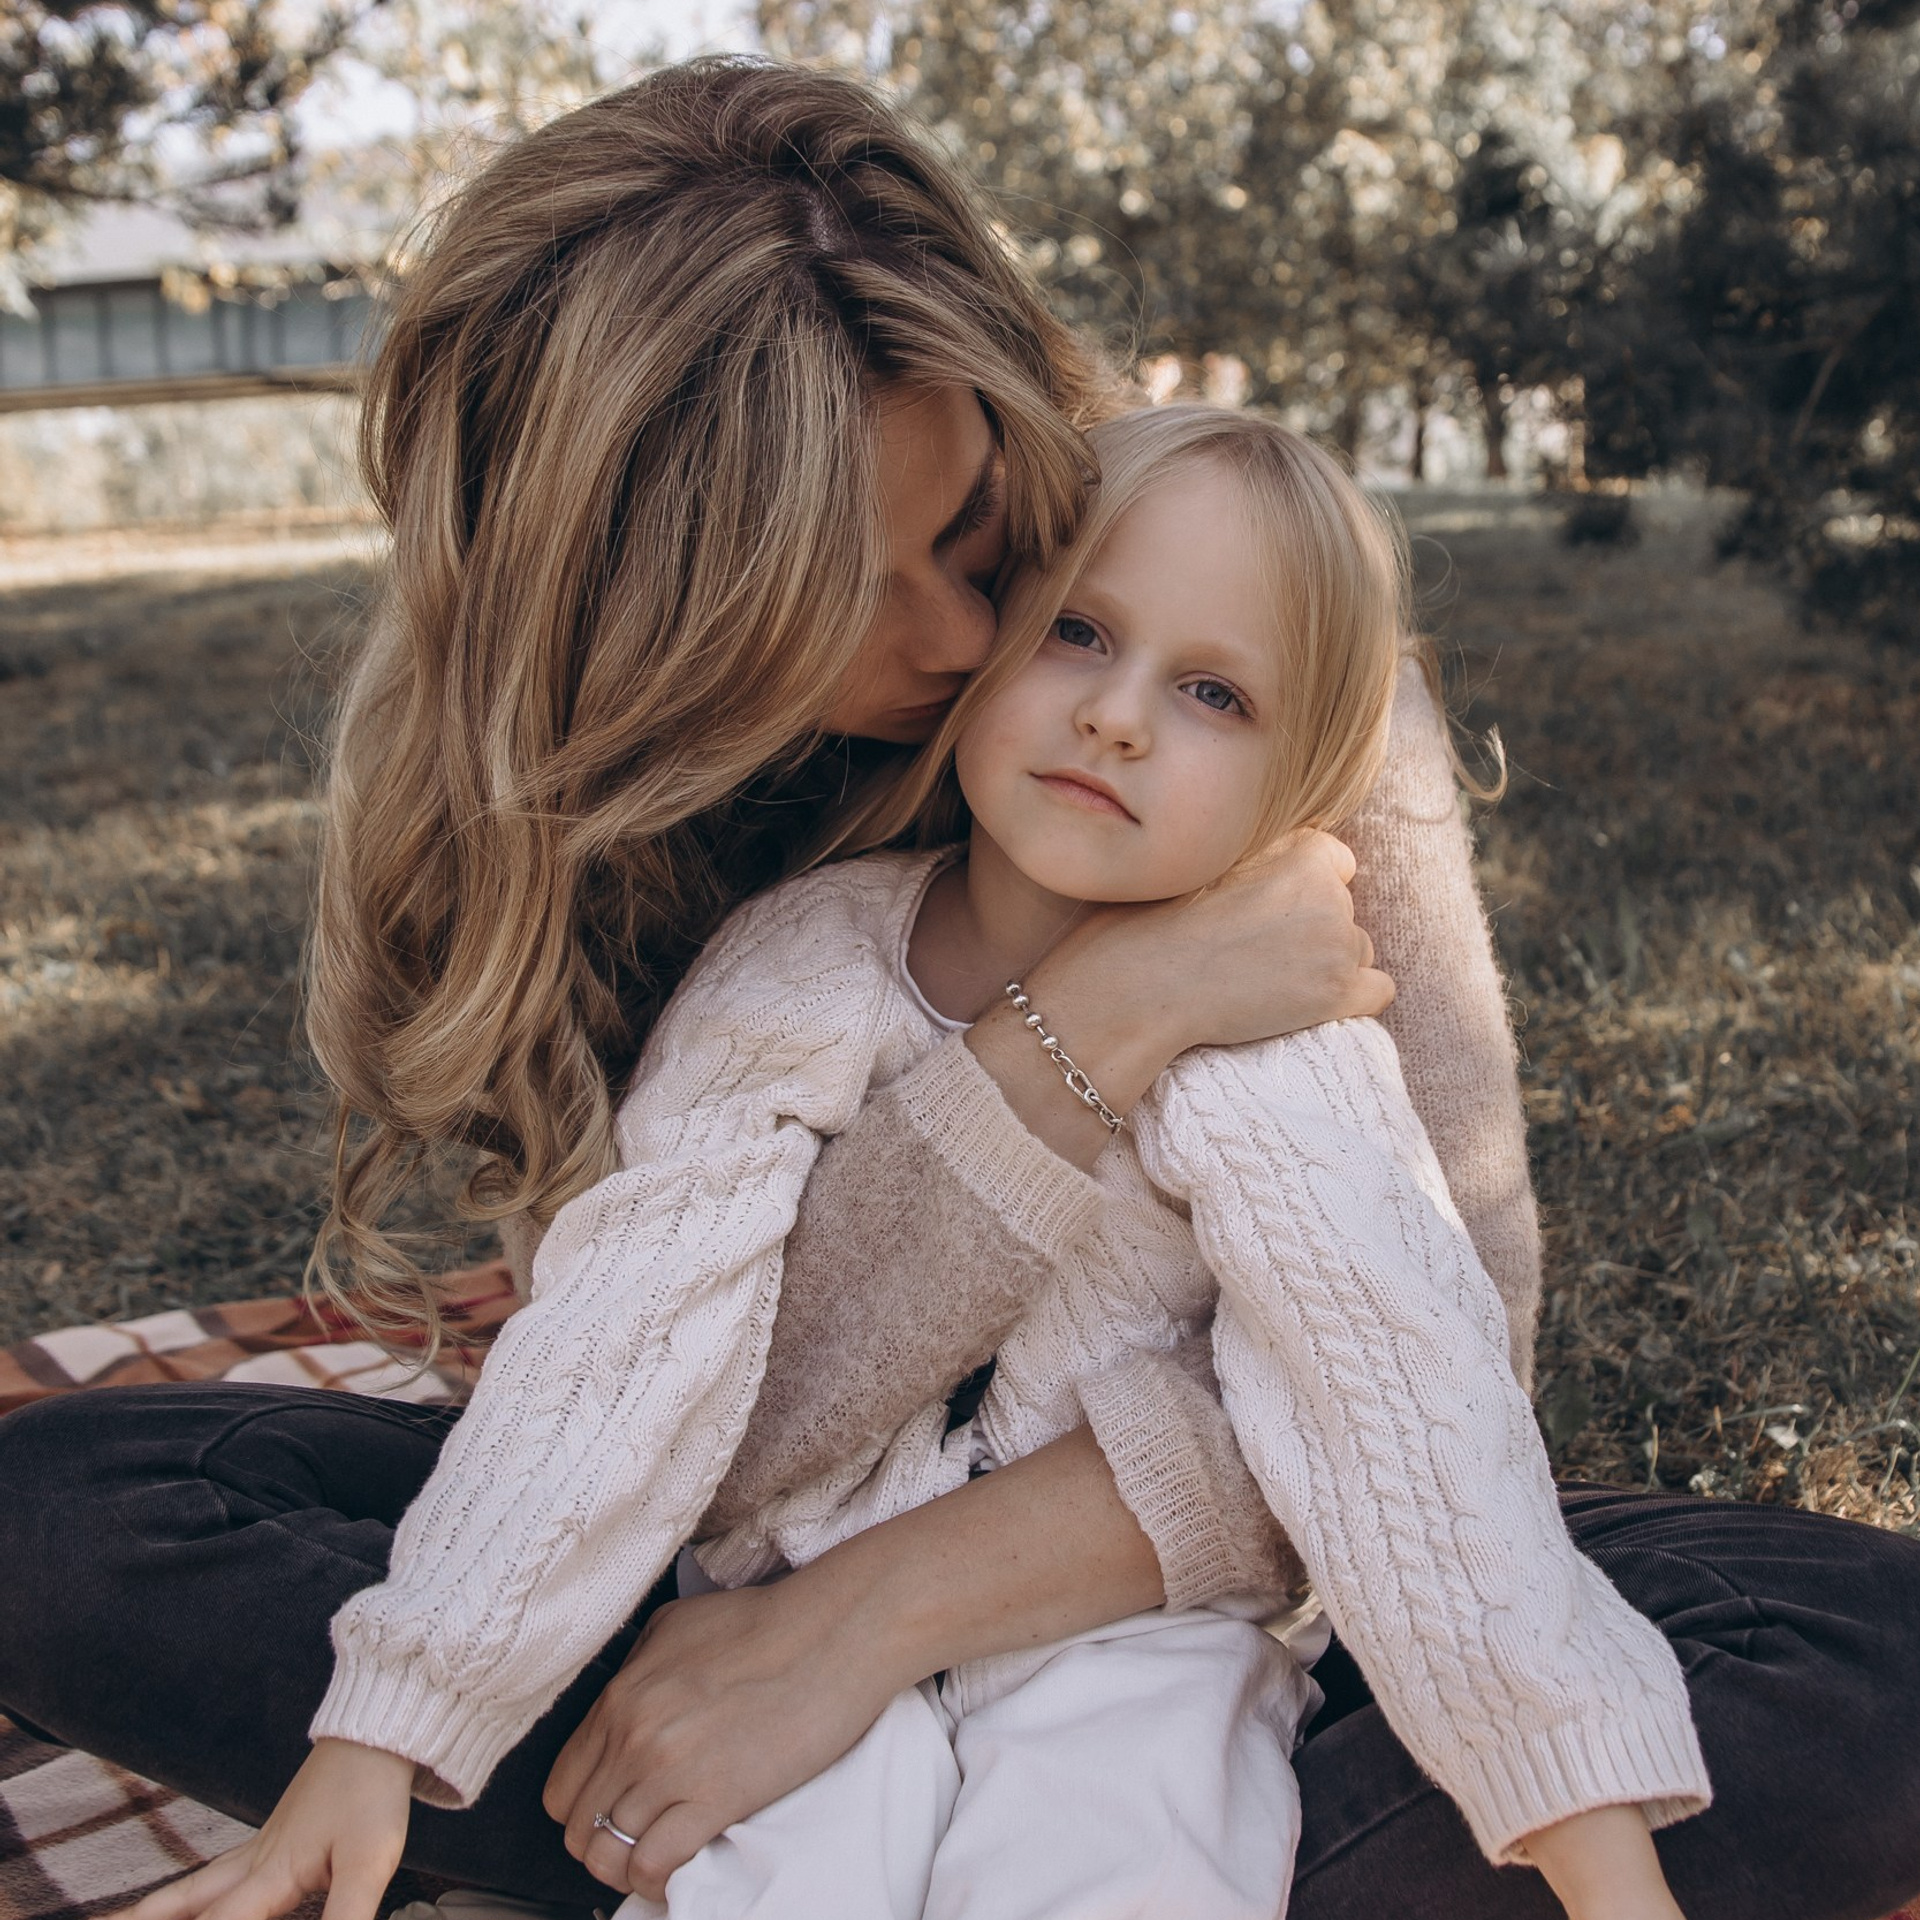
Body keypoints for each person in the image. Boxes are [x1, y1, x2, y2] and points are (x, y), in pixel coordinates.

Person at [0, 54, 1912, 1920]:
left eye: (975, 532)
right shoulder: (652, 850)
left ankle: (808, 1813)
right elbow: (665, 1393)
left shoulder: (1255, 646)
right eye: (823, 594)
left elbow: (1430, 1364)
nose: (960, 642)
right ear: (638, 631)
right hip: (673, 1536)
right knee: (61, 1518)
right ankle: (671, 1787)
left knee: (1851, 1656)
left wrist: (873, 1624)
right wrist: (1092, 1035)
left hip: (1183, 1606)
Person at [278, 400, 1704, 1920]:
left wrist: (1590, 1831)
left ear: (1309, 780)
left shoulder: (1281, 1053)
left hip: (1140, 1645)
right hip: (761, 1624)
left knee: (1129, 1861)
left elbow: (1407, 1399)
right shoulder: (804, 965)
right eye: (1079, 633)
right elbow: (625, 1335)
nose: (1120, 717)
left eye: (1215, 692)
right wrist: (397, 1712)